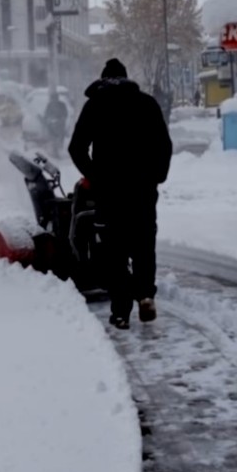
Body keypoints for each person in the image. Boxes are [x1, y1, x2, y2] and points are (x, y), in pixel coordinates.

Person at [68, 58, 173, 330]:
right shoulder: (147, 103)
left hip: (109, 192)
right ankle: (145, 295)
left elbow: (76, 148)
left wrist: (95, 176)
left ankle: (120, 311)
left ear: (103, 80)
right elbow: (164, 145)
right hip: (142, 189)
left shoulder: (95, 105)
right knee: (143, 243)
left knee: (113, 250)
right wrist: (156, 176)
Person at [42, 91, 68, 158]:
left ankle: (58, 150)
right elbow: (46, 114)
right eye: (53, 98)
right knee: (53, 139)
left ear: (57, 98)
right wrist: (48, 119)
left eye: (55, 98)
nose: (54, 100)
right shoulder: (49, 105)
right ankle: (55, 152)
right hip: (52, 125)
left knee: (59, 138)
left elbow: (65, 114)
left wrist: (61, 120)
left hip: (59, 125)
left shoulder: (62, 105)